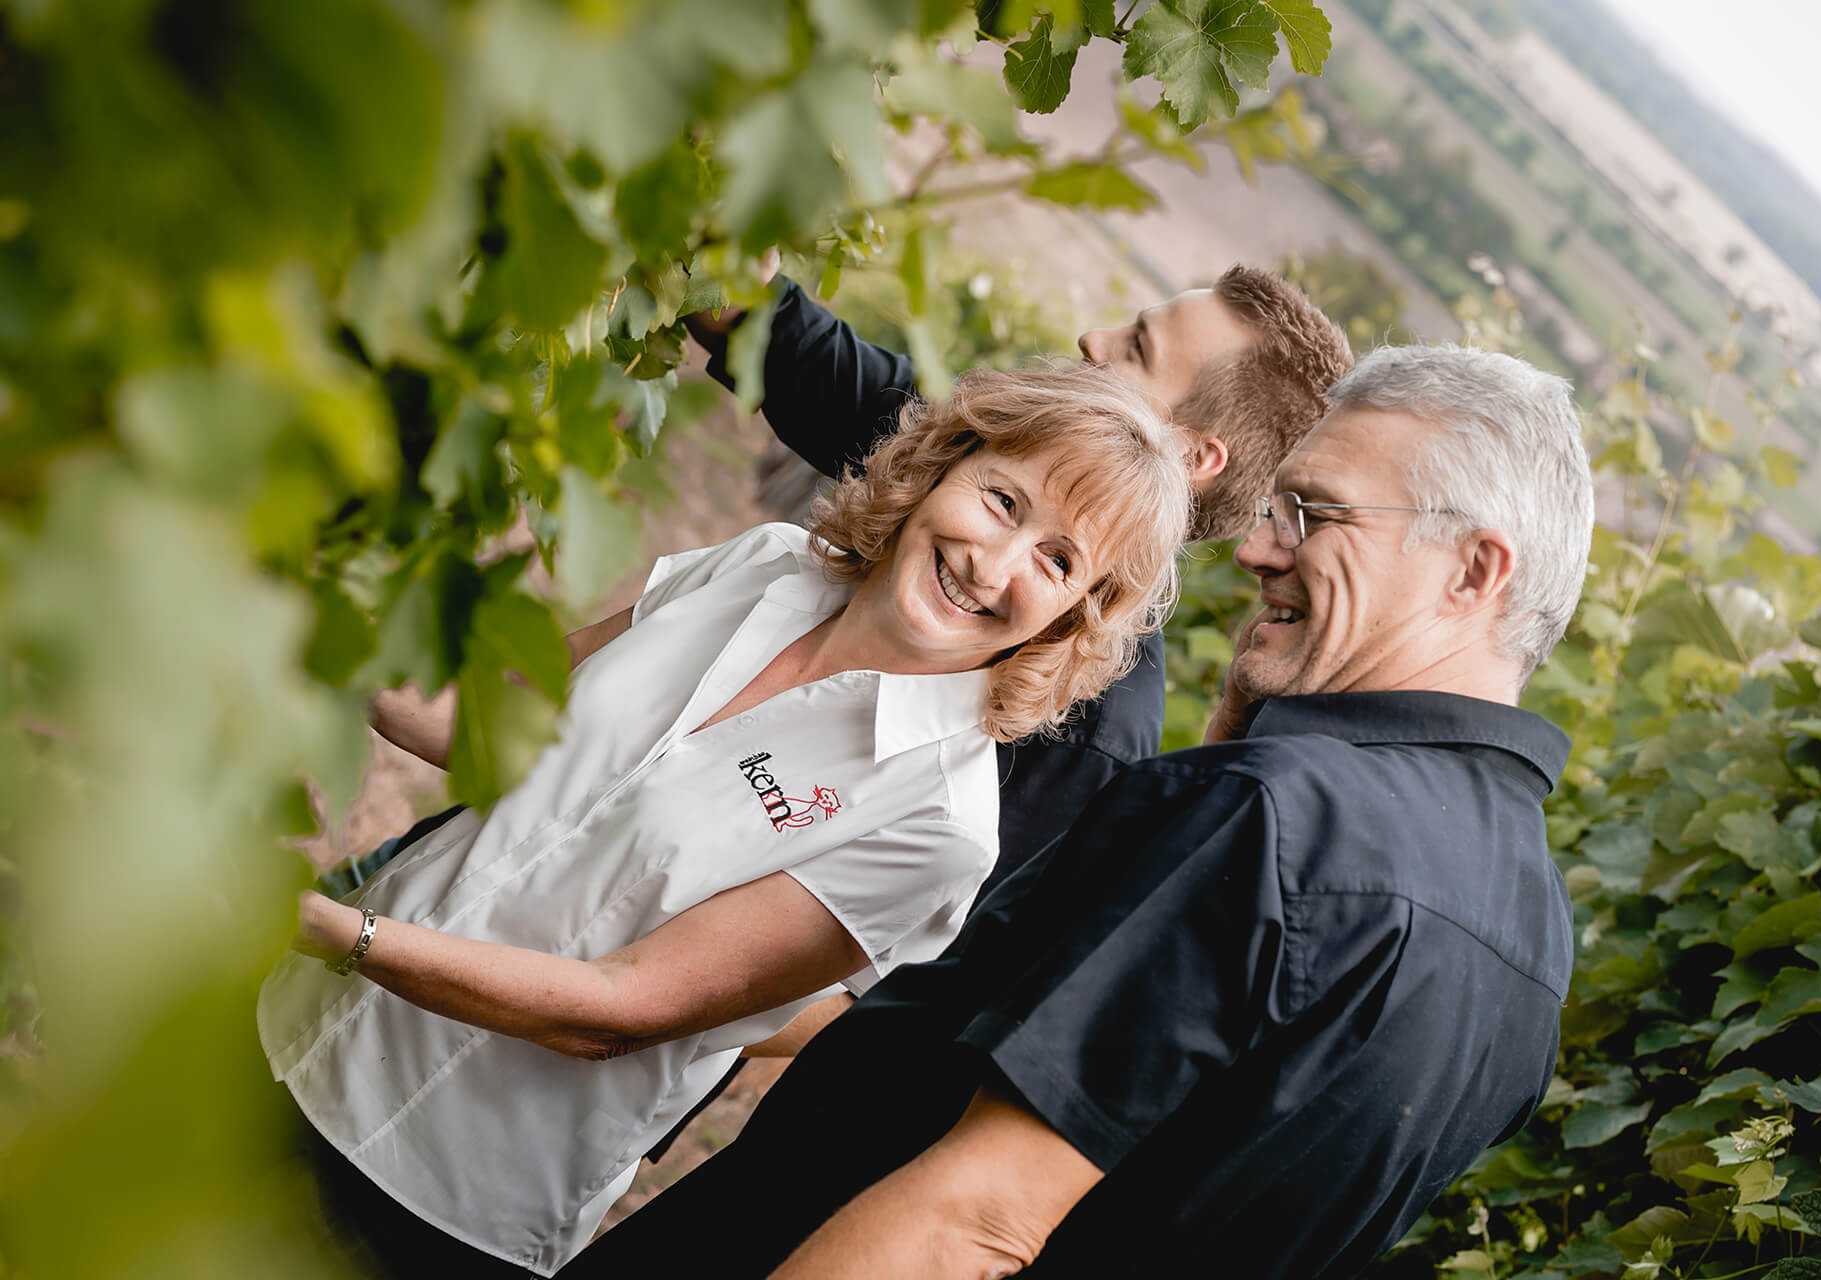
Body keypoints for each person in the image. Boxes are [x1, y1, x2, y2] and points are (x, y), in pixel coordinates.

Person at [554, 343, 1596, 1280]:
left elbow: (975, 1222)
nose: (1257, 549)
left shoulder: (1275, 819)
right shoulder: (1532, 954)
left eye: (1313, 514)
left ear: (1473, 569)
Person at [256, 366, 1191, 1278]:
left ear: (1077, 615)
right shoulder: (767, 565)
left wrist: (335, 930)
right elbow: (500, 729)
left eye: (1058, 561)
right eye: (1003, 501)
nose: (996, 566)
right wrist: (299, 607)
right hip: (300, 1021)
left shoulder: (937, 822)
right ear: (948, 462)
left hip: (430, 1177)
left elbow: (619, 1012)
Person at [689, 263, 1355, 888]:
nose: (1092, 339)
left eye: (1138, 349)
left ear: (1192, 455)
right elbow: (803, 357)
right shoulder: (971, 448)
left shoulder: (1092, 733)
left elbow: (905, 975)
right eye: (1001, 503)